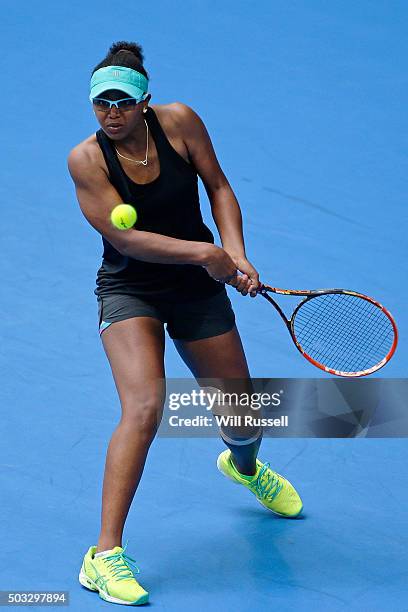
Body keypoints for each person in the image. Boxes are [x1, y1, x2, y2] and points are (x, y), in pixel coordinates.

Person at [68, 40, 303, 607]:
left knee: (242, 414)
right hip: (130, 288)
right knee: (145, 408)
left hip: (197, 288)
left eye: (123, 102)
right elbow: (124, 238)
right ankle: (104, 556)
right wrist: (205, 255)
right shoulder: (87, 160)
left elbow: (219, 187)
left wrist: (236, 252)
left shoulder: (180, 123)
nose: (112, 114)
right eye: (102, 105)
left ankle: (243, 465)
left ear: (145, 101)